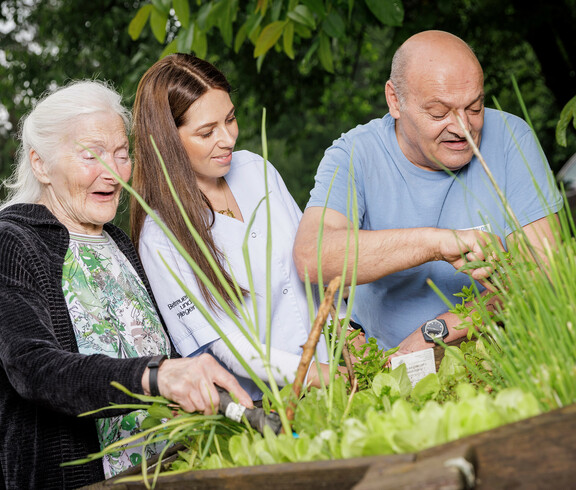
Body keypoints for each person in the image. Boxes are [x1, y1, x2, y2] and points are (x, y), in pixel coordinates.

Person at [0, 80, 252, 489]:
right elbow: (33, 367)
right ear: (40, 164)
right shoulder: (14, 240)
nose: (113, 172)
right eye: (91, 156)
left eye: (121, 154)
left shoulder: (118, 241)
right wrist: (155, 377)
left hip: (162, 474)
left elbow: (155, 344)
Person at [293, 30, 563, 355]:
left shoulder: (511, 138)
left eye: (474, 108)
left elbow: (543, 274)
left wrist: (437, 332)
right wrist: (436, 243)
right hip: (381, 364)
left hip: (500, 350)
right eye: (439, 113)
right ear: (395, 100)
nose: (462, 127)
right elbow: (312, 256)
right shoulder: (354, 154)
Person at [131, 54, 338, 401]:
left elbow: (315, 263)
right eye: (207, 132)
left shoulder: (257, 170)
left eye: (230, 119)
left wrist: (345, 330)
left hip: (331, 371)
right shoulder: (161, 237)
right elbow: (225, 346)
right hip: (261, 404)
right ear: (168, 139)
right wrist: (315, 374)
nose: (227, 138)